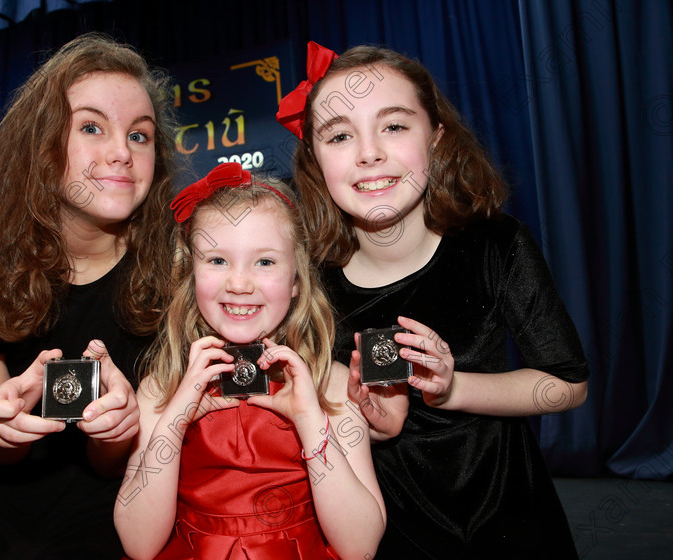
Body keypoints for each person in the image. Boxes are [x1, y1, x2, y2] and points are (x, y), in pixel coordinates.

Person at [277, 42, 590, 558]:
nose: (369, 152)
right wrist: (358, 424)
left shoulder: (496, 245)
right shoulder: (300, 280)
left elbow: (567, 387)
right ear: (313, 158)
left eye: (394, 126)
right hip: (377, 532)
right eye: (338, 135)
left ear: (437, 137)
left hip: (508, 522)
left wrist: (450, 389)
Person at [0, 32, 178, 559]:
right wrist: (1, 429)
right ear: (40, 144)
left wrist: (117, 433)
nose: (121, 152)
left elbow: (118, 466)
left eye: (140, 136)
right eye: (92, 128)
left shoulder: (180, 272)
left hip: (120, 505)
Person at [114, 162, 401, 560]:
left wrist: (309, 420)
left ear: (297, 279)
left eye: (264, 262)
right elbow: (139, 545)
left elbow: (360, 546)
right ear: (190, 274)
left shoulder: (331, 385)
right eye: (217, 260)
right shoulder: (161, 388)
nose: (239, 283)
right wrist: (176, 419)